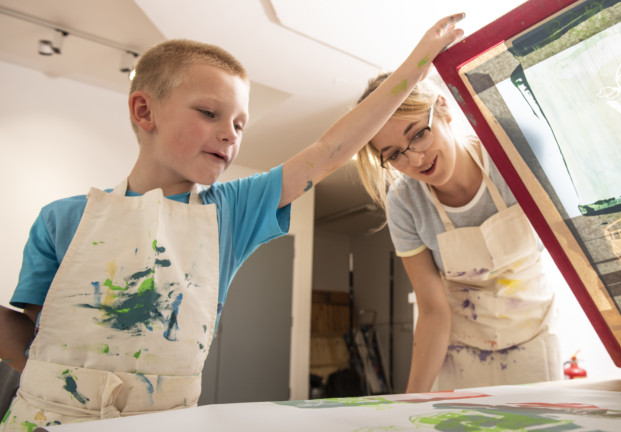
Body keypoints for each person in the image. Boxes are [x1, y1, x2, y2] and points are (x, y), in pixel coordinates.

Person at [0, 14, 464, 430]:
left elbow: (326, 153)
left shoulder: (230, 212)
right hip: (45, 420)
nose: (230, 133)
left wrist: (414, 69)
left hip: (165, 423)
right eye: (209, 113)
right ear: (145, 111)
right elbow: (36, 344)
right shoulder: (61, 220)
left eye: (241, 124)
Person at [355, 74, 561, 393]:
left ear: (444, 109)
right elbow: (434, 310)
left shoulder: (515, 150)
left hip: (534, 338)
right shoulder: (404, 201)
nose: (414, 159)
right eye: (394, 155)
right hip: (459, 350)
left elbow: (578, 244)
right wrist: (411, 403)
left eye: (419, 134)